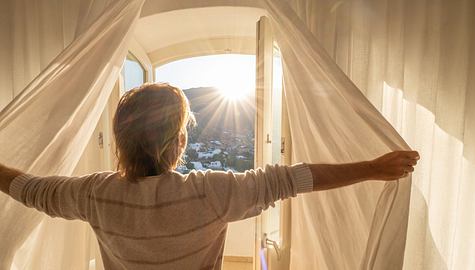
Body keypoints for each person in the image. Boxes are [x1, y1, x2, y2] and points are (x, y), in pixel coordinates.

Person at [0, 83, 419, 269]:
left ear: (120, 140)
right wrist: (373, 168)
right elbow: (292, 178)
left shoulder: (95, 194)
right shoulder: (210, 192)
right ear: (179, 143)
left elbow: (29, 190)